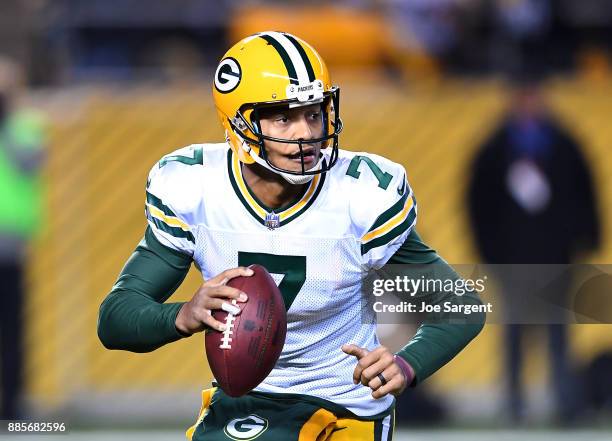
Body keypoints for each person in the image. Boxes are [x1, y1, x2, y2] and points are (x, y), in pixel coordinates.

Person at [98, 31, 485, 440]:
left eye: (314, 113)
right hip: (245, 400)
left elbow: (460, 307)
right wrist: (181, 315)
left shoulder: (361, 197)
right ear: (239, 123)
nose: (305, 133)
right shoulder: (194, 188)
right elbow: (115, 319)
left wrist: (407, 365)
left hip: (344, 404)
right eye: (284, 117)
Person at [467, 79, 600, 423]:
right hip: (511, 256)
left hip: (556, 253)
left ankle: (564, 402)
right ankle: (514, 402)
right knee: (515, 330)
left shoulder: (563, 144)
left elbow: (585, 193)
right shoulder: (495, 149)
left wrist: (585, 238)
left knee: (558, 332)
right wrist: (489, 252)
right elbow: (479, 205)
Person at [0, 56, 46, 420]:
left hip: (10, 242)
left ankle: (13, 406)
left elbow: (29, 163)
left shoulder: (25, 124)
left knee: (13, 328)